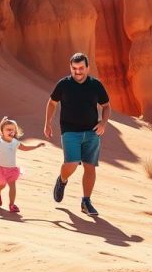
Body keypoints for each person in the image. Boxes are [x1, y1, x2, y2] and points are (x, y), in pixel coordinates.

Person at [44, 52, 111, 216]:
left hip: (92, 132)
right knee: (72, 163)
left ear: (87, 68)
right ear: (70, 68)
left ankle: (86, 201)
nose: (78, 71)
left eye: (81, 68)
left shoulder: (96, 85)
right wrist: (47, 122)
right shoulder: (64, 84)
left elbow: (106, 105)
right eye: (74, 68)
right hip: (70, 131)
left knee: (90, 167)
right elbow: (52, 103)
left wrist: (103, 123)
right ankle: (62, 179)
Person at [0, 117, 45, 213]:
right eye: (8, 130)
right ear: (2, 131)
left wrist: (36, 146)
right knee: (2, 185)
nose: (11, 132)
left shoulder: (15, 142)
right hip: (0, 170)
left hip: (12, 170)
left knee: (12, 186)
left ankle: (12, 205)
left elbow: (24, 148)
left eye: (13, 130)